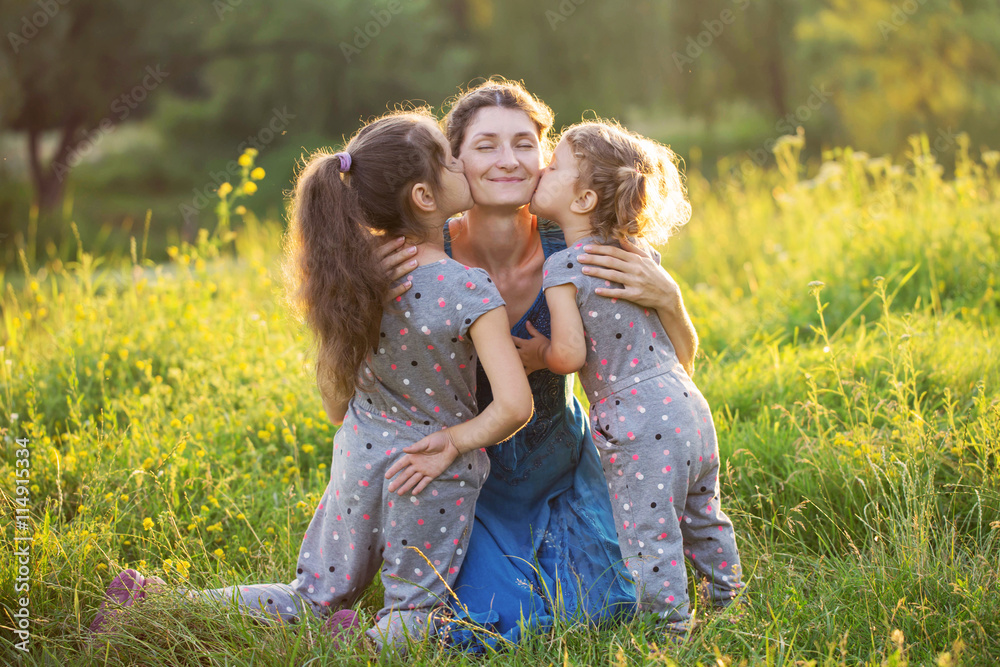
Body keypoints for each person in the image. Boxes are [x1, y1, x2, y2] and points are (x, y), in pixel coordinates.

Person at [90, 109, 534, 653]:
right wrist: (454, 442)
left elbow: (333, 406)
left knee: (312, 594)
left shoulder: (356, 280)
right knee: (414, 608)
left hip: (359, 455)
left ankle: (154, 600)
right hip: (430, 471)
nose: (462, 162)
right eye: (449, 158)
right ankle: (356, 650)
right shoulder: (470, 290)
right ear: (423, 196)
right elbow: (514, 406)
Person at [379, 79, 702, 648]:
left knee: (608, 606)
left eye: (524, 144)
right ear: (453, 161)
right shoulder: (426, 256)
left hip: (564, 466)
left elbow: (673, 373)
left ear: (546, 159)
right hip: (465, 476)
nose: (508, 160)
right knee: (494, 617)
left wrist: (670, 298)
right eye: (486, 146)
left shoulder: (583, 247)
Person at [526, 119, 743, 635]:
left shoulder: (562, 269)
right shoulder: (640, 255)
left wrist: (538, 353)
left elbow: (571, 355)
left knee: (649, 531)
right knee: (703, 512)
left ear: (581, 201)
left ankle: (670, 628)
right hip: (688, 403)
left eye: (553, 166)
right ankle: (730, 596)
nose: (541, 169)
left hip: (638, 420)